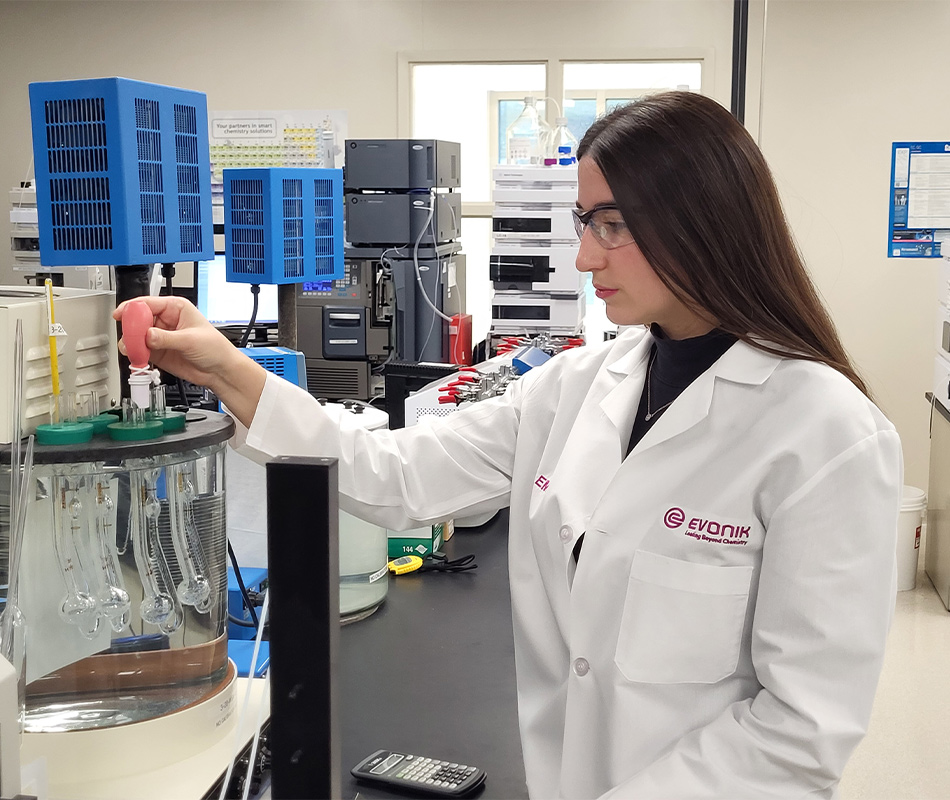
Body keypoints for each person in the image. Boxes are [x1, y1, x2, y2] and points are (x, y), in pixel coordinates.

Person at [116, 91, 902, 799]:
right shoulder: (574, 387)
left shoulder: (825, 435)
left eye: (613, 226)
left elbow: (800, 734)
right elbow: (392, 474)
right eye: (585, 223)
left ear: (702, 222)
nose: (587, 256)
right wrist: (229, 370)